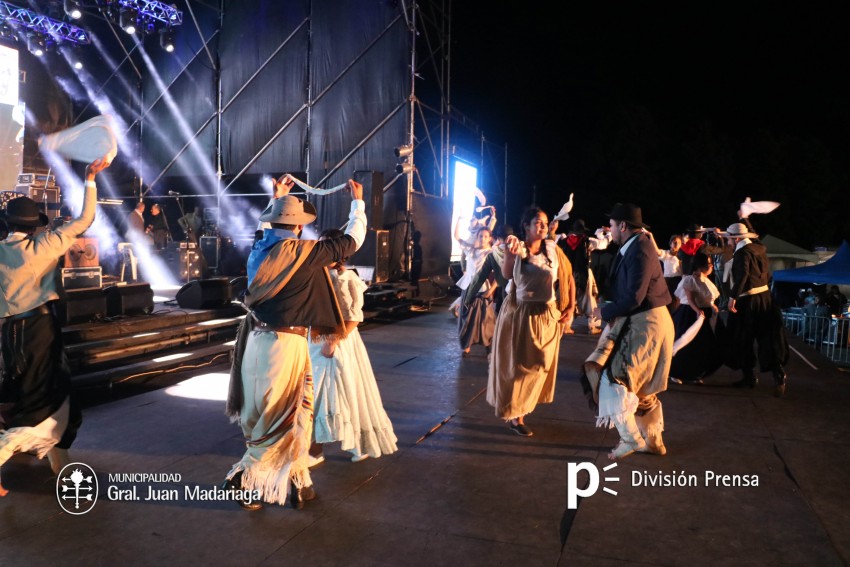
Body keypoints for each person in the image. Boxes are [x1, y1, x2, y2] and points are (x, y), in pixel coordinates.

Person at [222, 175, 366, 511]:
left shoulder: (260, 249)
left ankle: (301, 484)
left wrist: (278, 198)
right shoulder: (305, 252)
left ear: (272, 222)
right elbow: (351, 241)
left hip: (256, 341)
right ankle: (246, 481)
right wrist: (358, 203)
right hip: (285, 346)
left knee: (291, 414)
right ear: (300, 228)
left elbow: (271, 233)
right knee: (281, 417)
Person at [0, 157, 111, 494]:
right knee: (43, 401)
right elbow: (85, 218)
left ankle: (59, 464)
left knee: (46, 397)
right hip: (40, 332)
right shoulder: (46, 244)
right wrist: (90, 178)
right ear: (34, 225)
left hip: (10, 335)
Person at [583, 203, 674, 460]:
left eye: (612, 225)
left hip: (647, 324)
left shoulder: (641, 250)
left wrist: (606, 312)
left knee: (614, 378)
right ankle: (654, 442)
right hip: (647, 321)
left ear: (623, 226)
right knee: (643, 390)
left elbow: (634, 297)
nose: (609, 229)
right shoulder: (635, 247)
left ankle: (630, 438)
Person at [308, 228, 398, 466]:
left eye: (328, 246)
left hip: (338, 344)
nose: (323, 251)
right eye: (321, 245)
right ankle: (318, 448)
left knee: (341, 395)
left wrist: (333, 341)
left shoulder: (347, 278)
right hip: (316, 342)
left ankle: (324, 449)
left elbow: (354, 316)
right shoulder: (317, 275)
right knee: (321, 396)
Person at [487, 206, 574, 437]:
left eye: (545, 222)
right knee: (518, 368)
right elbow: (506, 274)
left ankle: (522, 407)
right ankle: (517, 416)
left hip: (547, 315)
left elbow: (568, 276)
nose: (543, 226)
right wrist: (510, 251)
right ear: (526, 226)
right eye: (537, 222)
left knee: (541, 366)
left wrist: (571, 306)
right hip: (522, 315)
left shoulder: (553, 250)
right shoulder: (518, 249)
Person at [723, 222, 789, 397]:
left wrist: (732, 298)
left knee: (742, 339)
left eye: (729, 239)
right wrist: (746, 219)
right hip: (766, 299)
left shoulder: (741, 253)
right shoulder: (759, 248)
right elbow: (755, 237)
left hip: (748, 301)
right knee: (767, 338)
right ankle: (779, 375)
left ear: (736, 239)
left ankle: (749, 377)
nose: (728, 243)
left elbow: (743, 275)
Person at [669, 252, 724, 384]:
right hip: (689, 314)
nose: (711, 267)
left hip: (704, 315)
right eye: (709, 264)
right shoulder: (690, 279)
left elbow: (707, 297)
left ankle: (695, 373)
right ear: (700, 266)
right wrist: (697, 310)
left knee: (702, 346)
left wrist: (711, 306)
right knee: (684, 344)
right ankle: (676, 372)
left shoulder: (706, 280)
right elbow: (690, 298)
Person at [456, 224, 496, 356]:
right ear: (477, 237)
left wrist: (491, 290)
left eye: (486, 236)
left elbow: (501, 274)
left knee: (486, 319)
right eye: (480, 236)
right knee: (467, 319)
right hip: (468, 288)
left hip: (483, 289)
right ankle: (466, 346)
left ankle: (488, 343)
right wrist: (459, 220)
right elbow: (457, 237)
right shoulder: (471, 250)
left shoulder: (491, 253)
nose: (483, 238)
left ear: (490, 238)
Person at [560, 219, 601, 335]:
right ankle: (592, 326)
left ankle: (566, 326)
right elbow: (603, 244)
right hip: (584, 274)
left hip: (569, 274)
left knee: (569, 298)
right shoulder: (588, 241)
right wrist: (602, 233)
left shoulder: (564, 241)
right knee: (589, 299)